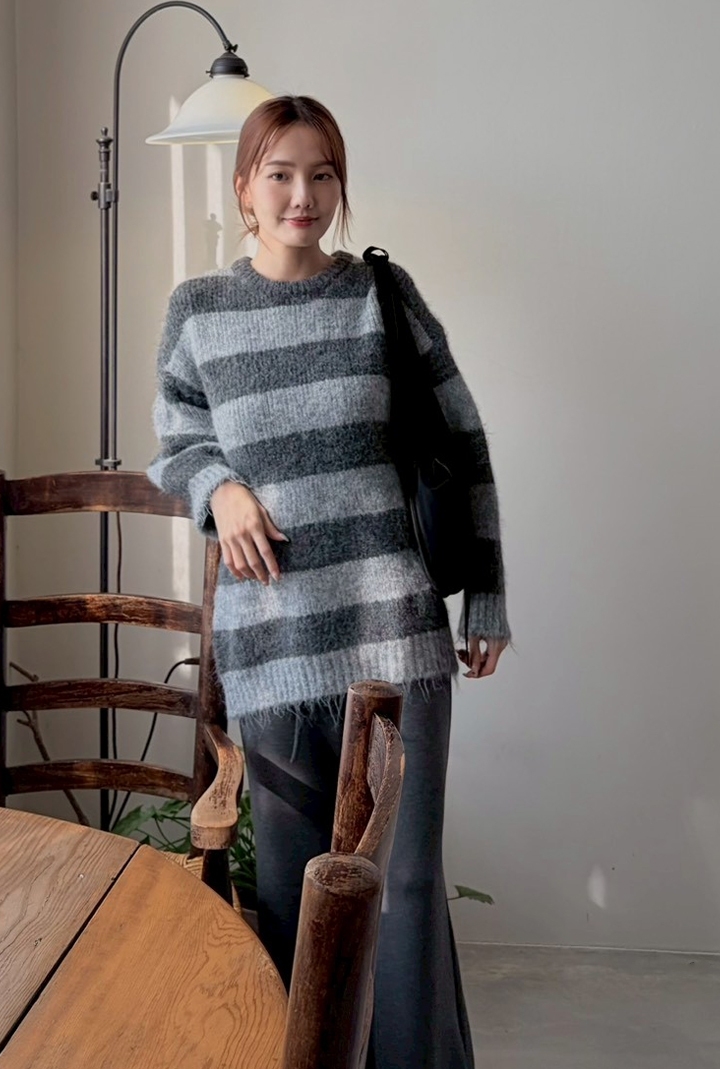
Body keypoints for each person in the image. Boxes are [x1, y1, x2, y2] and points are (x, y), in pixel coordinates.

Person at [147, 94, 509, 1069]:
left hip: (393, 640)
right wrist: (220, 488)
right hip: (271, 645)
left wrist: (485, 593)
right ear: (244, 188)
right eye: (280, 173)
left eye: (321, 173)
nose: (301, 193)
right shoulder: (199, 310)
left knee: (403, 891)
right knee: (292, 894)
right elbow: (175, 442)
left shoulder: (379, 295)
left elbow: (462, 442)